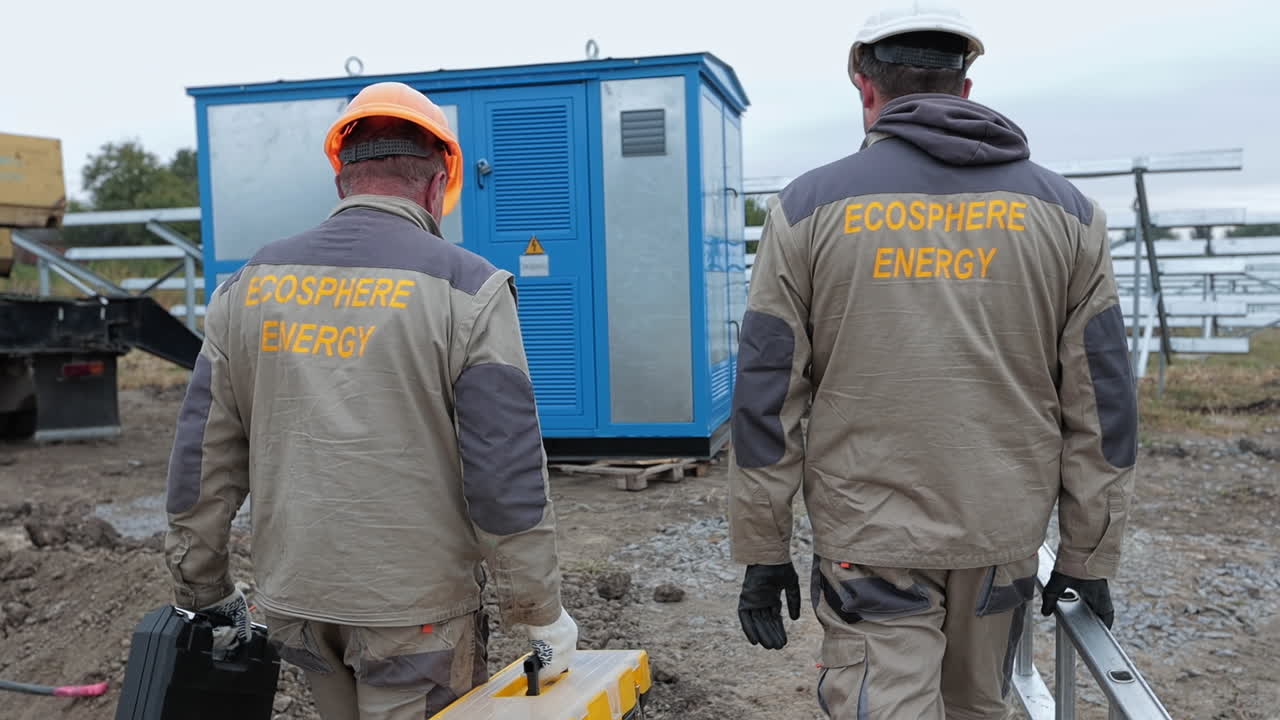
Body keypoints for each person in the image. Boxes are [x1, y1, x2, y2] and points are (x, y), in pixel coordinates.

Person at [728, 3, 1138, 718]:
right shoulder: (1071, 214)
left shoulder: (804, 209)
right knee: (981, 704)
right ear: (966, 90)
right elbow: (1101, 402)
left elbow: (767, 397)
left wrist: (764, 549)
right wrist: (1087, 556)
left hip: (870, 538)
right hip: (1000, 535)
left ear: (865, 89)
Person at [163, 81, 577, 719]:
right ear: (439, 185)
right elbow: (505, 472)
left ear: (343, 183)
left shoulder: (246, 287)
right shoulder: (470, 290)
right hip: (416, 612)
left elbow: (203, 455)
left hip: (295, 601)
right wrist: (539, 610)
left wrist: (203, 583)